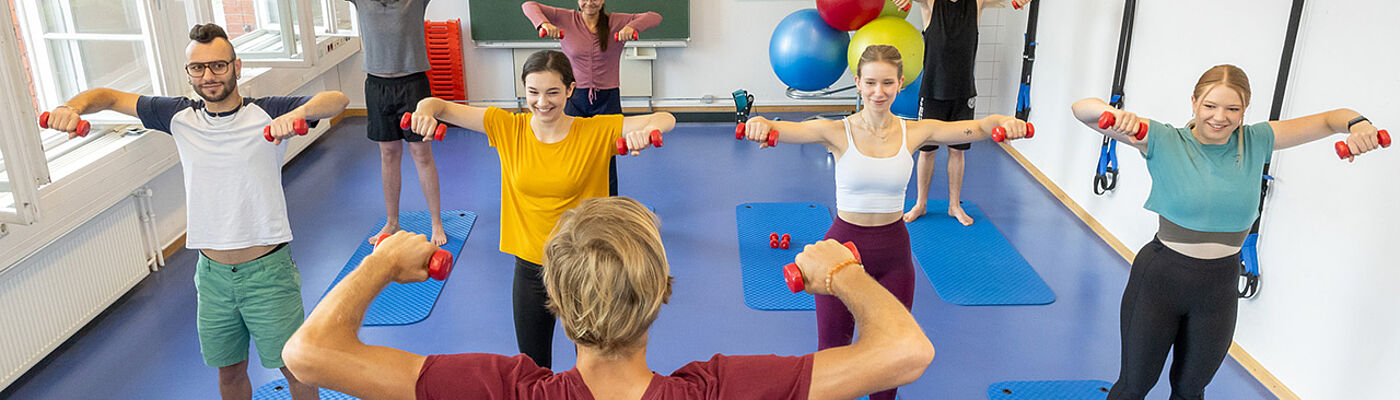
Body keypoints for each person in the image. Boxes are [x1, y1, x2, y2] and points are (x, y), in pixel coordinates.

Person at [283, 197, 935, 400]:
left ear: (555, 304)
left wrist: (382, 262)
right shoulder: (722, 390)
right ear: (663, 293)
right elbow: (907, 351)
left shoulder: (500, 389)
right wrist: (842, 271)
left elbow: (308, 354)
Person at [41, 23, 348, 400]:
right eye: (198, 68)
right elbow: (106, 95)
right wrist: (70, 108)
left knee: (297, 366)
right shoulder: (178, 116)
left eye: (218, 66)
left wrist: (298, 113)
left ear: (237, 66)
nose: (208, 76)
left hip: (268, 273)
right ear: (189, 73)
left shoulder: (267, 111)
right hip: (212, 277)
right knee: (229, 371)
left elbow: (336, 99)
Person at [1070, 64, 1388, 400]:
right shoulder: (1162, 139)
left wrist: (1358, 124)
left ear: (1244, 111)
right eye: (1210, 106)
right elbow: (1082, 110)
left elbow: (1330, 120)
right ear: (1194, 102)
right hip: (1160, 280)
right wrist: (1114, 114)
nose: (1220, 117)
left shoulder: (1257, 140)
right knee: (1134, 387)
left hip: (1218, 288)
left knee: (1191, 390)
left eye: (1232, 109)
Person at [740, 44, 1029, 400]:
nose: (879, 92)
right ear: (858, 83)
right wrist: (762, 123)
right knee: (832, 350)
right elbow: (783, 129)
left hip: (894, 255)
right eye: (871, 83)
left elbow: (973, 128)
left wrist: (1001, 121)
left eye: (888, 83)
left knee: (890, 354)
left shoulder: (915, 132)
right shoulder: (836, 131)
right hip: (841, 252)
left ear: (900, 83)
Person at [403, 50, 675, 369]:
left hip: (583, 268)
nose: (542, 102)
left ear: (570, 90)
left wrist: (644, 131)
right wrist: (425, 108)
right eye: (533, 92)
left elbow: (665, 118)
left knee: (593, 365)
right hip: (530, 267)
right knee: (533, 368)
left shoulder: (594, 132)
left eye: (553, 92)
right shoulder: (508, 128)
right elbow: (442, 106)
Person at [898, 0, 1032, 226]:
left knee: (957, 151)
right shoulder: (931, 3)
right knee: (927, 152)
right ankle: (921, 204)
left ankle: (954, 205)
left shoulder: (976, 3)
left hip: (963, 93)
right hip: (932, 92)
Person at [522, 0, 662, 196]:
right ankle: (572, 197)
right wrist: (544, 24)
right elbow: (528, 5)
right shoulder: (565, 18)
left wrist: (631, 27)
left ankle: (607, 207)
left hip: (607, 99)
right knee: (571, 151)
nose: (589, 2)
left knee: (606, 156)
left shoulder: (615, 21)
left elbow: (655, 17)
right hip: (574, 97)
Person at [346, 0, 449, 246]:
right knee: (388, 154)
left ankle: (437, 222)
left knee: (421, 153)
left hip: (413, 85)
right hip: (376, 85)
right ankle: (392, 222)